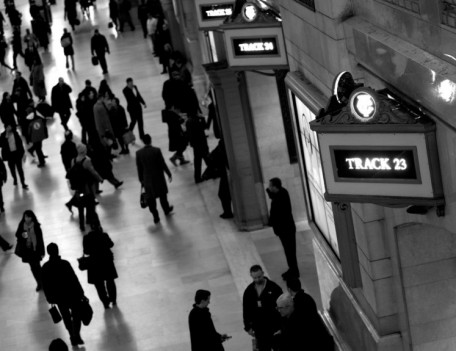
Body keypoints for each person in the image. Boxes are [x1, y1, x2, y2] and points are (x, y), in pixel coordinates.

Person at [42, 243, 85, 347]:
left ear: (48, 252)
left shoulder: (46, 267)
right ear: (57, 251)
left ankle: (72, 335)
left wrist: (49, 298)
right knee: (76, 315)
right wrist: (81, 293)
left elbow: (45, 285)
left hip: (59, 298)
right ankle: (77, 334)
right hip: (72, 294)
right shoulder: (65, 263)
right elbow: (74, 279)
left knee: (66, 317)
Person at [243, 265, 282, 351]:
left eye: (259, 277)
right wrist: (247, 327)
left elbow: (281, 307)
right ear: (251, 276)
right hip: (259, 328)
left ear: (263, 273)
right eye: (255, 278)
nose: (257, 279)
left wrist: (282, 325)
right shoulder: (249, 291)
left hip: (274, 326)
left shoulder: (274, 288)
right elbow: (246, 309)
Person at [266, 177, 299, 280]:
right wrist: (268, 191)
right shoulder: (281, 192)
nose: (268, 187)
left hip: (286, 229)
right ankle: (291, 268)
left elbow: (277, 214)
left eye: (270, 186)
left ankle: (294, 272)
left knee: (290, 251)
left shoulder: (280, 197)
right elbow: (273, 196)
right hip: (284, 229)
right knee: (288, 250)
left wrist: (271, 222)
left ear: (275, 187)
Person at [136, 134, 173, 224]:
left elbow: (139, 168)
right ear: (150, 140)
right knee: (162, 195)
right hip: (158, 177)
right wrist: (169, 174)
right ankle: (166, 210)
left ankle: (155, 216)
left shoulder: (139, 153)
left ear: (143, 141)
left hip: (147, 179)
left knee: (151, 199)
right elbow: (162, 164)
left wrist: (141, 179)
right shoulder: (156, 150)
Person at [68, 144, 102, 230]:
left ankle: (81, 225)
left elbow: (72, 173)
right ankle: (89, 220)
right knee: (90, 204)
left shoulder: (73, 160)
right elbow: (93, 172)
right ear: (84, 150)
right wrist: (99, 178)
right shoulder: (87, 160)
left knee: (80, 206)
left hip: (78, 187)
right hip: (88, 186)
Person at [83, 224, 118, 309]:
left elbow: (86, 251)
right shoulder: (103, 235)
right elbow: (111, 244)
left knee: (99, 286)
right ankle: (113, 299)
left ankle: (105, 303)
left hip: (94, 264)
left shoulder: (86, 238)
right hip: (106, 262)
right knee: (110, 282)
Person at [14, 210, 45, 291]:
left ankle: (43, 283)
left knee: (38, 267)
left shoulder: (36, 226)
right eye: (25, 217)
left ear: (32, 217)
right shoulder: (21, 225)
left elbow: (40, 240)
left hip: (35, 250)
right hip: (27, 251)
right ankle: (39, 283)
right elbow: (17, 234)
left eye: (29, 217)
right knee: (33, 268)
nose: (27, 219)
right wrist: (23, 235)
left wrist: (42, 251)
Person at [0, 124, 28, 189]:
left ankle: (23, 183)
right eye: (8, 127)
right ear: (6, 128)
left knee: (20, 169)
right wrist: (5, 137)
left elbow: (20, 143)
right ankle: (15, 178)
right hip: (9, 156)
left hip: (17, 154)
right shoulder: (3, 135)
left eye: (10, 126)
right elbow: (1, 145)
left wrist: (23, 153)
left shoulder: (15, 133)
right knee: (12, 169)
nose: (10, 128)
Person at [186, 113, 210, 184]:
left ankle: (197, 177)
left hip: (196, 145)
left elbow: (189, 134)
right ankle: (213, 172)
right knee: (207, 158)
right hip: (202, 143)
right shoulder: (198, 120)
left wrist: (191, 143)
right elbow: (205, 127)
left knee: (198, 161)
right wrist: (202, 118)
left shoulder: (188, 122)